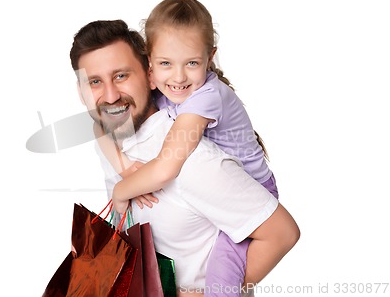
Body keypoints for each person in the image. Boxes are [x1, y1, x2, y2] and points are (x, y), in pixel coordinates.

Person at [69, 19, 300, 296]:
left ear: (150, 75)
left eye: (121, 76)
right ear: (81, 91)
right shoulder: (113, 139)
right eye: (95, 81)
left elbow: (282, 234)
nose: (110, 95)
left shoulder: (191, 160)